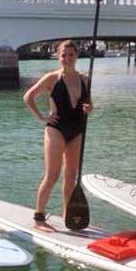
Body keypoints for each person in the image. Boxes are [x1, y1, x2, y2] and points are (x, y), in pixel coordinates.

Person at [23, 40, 92, 232]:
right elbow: (28, 97)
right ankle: (39, 218)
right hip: (56, 129)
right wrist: (41, 117)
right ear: (58, 56)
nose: (67, 58)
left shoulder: (85, 79)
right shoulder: (51, 78)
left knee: (71, 175)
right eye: (63, 55)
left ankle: (67, 214)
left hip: (77, 130)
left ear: (76, 56)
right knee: (52, 175)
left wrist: (89, 108)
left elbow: (89, 104)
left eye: (71, 54)